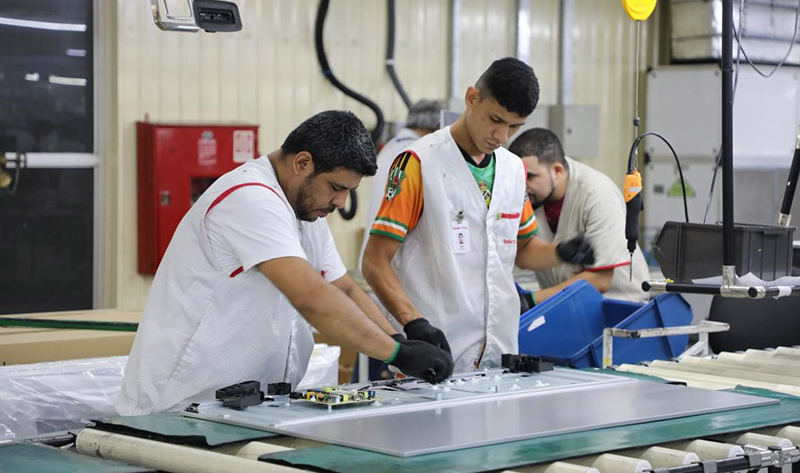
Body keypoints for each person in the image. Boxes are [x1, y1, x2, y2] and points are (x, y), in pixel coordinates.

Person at [116, 111, 453, 415]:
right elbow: (311, 297)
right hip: (178, 408)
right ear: (302, 163)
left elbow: (343, 288)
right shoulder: (250, 197)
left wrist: (399, 338)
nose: (340, 202)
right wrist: (395, 353)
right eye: (336, 188)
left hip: (244, 407)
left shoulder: (306, 210)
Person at [361, 58, 595, 374]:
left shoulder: (512, 170)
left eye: (514, 126)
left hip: (499, 353)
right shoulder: (419, 164)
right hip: (435, 351)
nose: (501, 135)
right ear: (472, 98)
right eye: (495, 119)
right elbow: (375, 261)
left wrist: (560, 252)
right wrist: (413, 322)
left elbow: (524, 250)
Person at [508, 128, 649, 305]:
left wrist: (532, 301)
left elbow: (601, 280)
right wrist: (558, 253)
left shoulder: (597, 195)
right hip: (564, 306)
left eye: (530, 177)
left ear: (557, 171)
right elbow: (523, 255)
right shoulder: (529, 196)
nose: (523, 185)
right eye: (518, 178)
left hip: (619, 306)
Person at [357, 99, 442, 271]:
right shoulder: (417, 153)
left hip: (375, 253)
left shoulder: (392, 146)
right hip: (392, 257)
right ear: (438, 126)